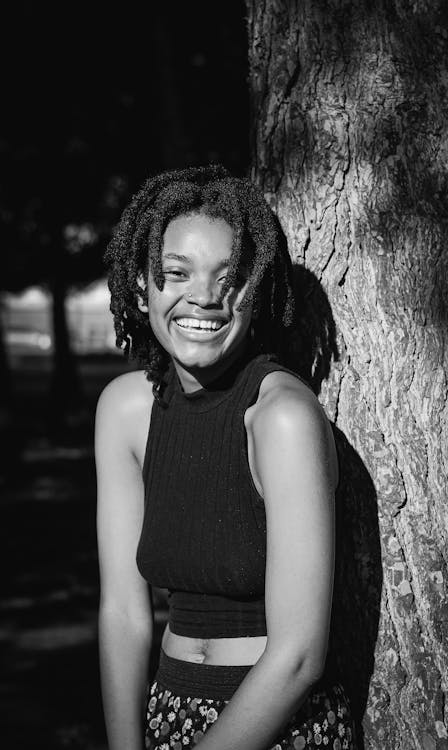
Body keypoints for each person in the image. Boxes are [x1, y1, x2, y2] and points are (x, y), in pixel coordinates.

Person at [96, 165, 356, 750]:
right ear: (142, 286)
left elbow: (298, 657)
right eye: (176, 272)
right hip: (166, 710)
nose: (206, 297)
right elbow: (123, 612)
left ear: (256, 289)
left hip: (279, 726)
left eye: (230, 276)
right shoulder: (124, 411)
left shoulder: (282, 418)